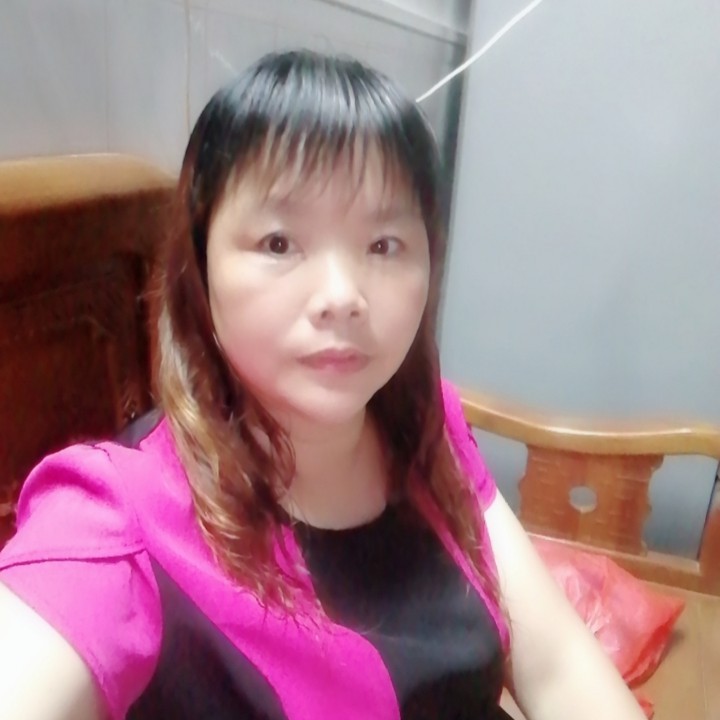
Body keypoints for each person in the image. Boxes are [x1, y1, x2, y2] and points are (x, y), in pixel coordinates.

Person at [0, 51, 644, 720]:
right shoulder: (116, 518)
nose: (342, 296)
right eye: (279, 243)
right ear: (201, 267)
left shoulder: (427, 425)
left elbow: (558, 668)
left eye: (384, 245)